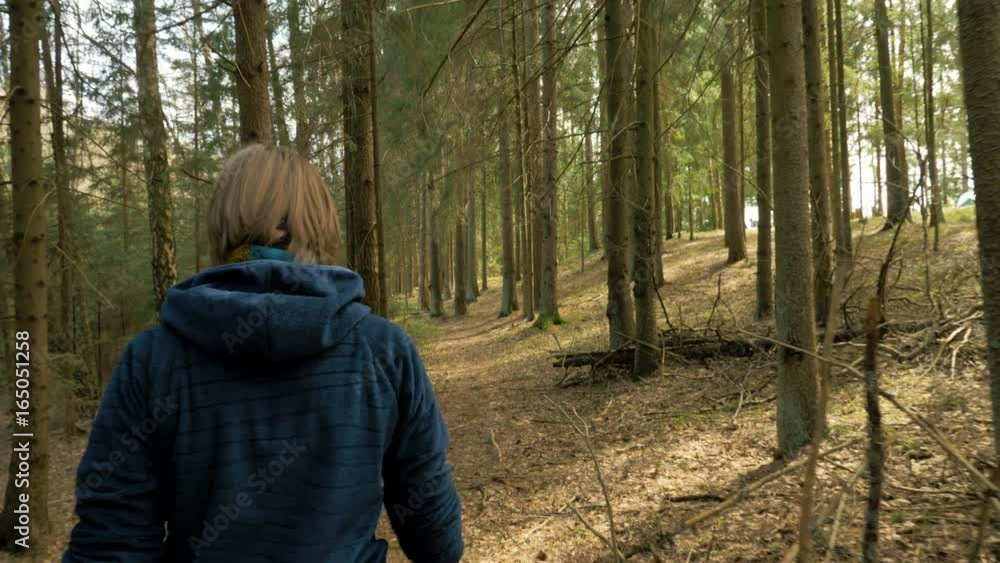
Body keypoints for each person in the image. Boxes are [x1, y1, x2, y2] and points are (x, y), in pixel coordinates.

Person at [63, 145, 463, 562]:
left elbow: (110, 545)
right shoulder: (382, 352)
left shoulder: (153, 360)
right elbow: (437, 539)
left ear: (222, 226)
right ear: (321, 224)